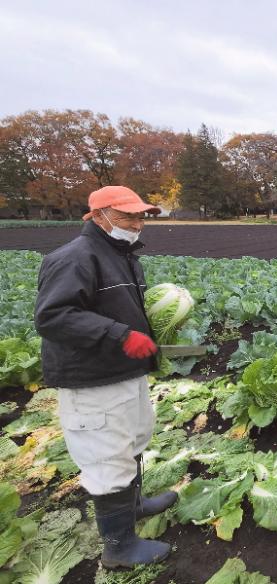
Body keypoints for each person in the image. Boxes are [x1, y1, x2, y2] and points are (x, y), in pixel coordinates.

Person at [33, 186, 176, 568]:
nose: (137, 223)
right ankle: (119, 547)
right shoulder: (74, 258)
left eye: (141, 216)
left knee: (134, 437)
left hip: (122, 372)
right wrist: (120, 335)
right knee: (107, 456)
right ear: (98, 216)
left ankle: (135, 505)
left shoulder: (121, 256)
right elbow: (52, 317)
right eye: (128, 216)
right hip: (91, 379)